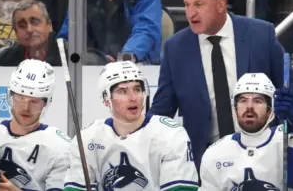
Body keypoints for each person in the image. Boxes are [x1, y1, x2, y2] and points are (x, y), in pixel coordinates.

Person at [149, 0, 293, 170]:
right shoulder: (175, 48)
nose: (190, 13)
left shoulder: (260, 35)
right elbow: (162, 111)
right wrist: (133, 132)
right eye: (187, 5)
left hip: (260, 154)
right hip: (204, 162)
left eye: (198, 4)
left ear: (221, 4)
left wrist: (277, 140)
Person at [63, 61, 199, 191]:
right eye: (123, 91)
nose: (133, 97)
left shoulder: (170, 134)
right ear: (106, 98)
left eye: (137, 89)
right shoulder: (87, 138)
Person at [199, 73, 293, 190]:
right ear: (234, 108)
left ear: (270, 109)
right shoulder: (214, 154)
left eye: (257, 100)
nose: (249, 106)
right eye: (243, 100)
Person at [0, 59, 71, 190]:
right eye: (20, 97)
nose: (26, 107)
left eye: (34, 101)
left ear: (46, 102)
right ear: (10, 96)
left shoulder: (61, 147)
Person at [57, 0, 162, 64]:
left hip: (135, 69)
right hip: (90, 69)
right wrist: (92, 59)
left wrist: (125, 60)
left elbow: (146, 30)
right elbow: (66, 38)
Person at [0, 0, 63, 66]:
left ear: (49, 26)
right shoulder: (6, 60)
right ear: (16, 32)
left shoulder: (68, 55)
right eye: (22, 26)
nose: (29, 30)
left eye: (35, 22)